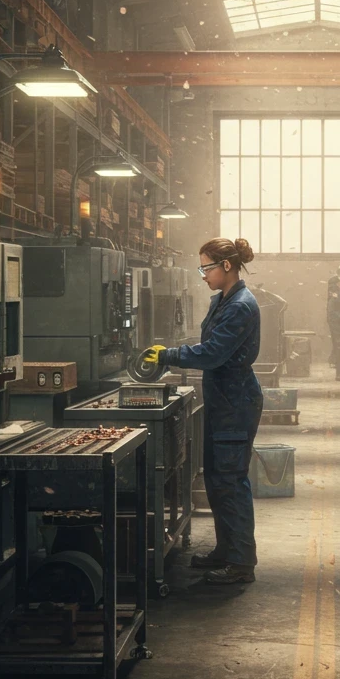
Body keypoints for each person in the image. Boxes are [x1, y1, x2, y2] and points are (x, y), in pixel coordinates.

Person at [142, 237, 263, 584]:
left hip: (236, 401)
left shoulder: (240, 305)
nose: (203, 275)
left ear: (227, 266)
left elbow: (212, 354)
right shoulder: (224, 300)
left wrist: (169, 354)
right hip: (223, 397)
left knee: (230, 480)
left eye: (206, 268)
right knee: (216, 478)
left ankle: (241, 563)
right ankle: (227, 550)